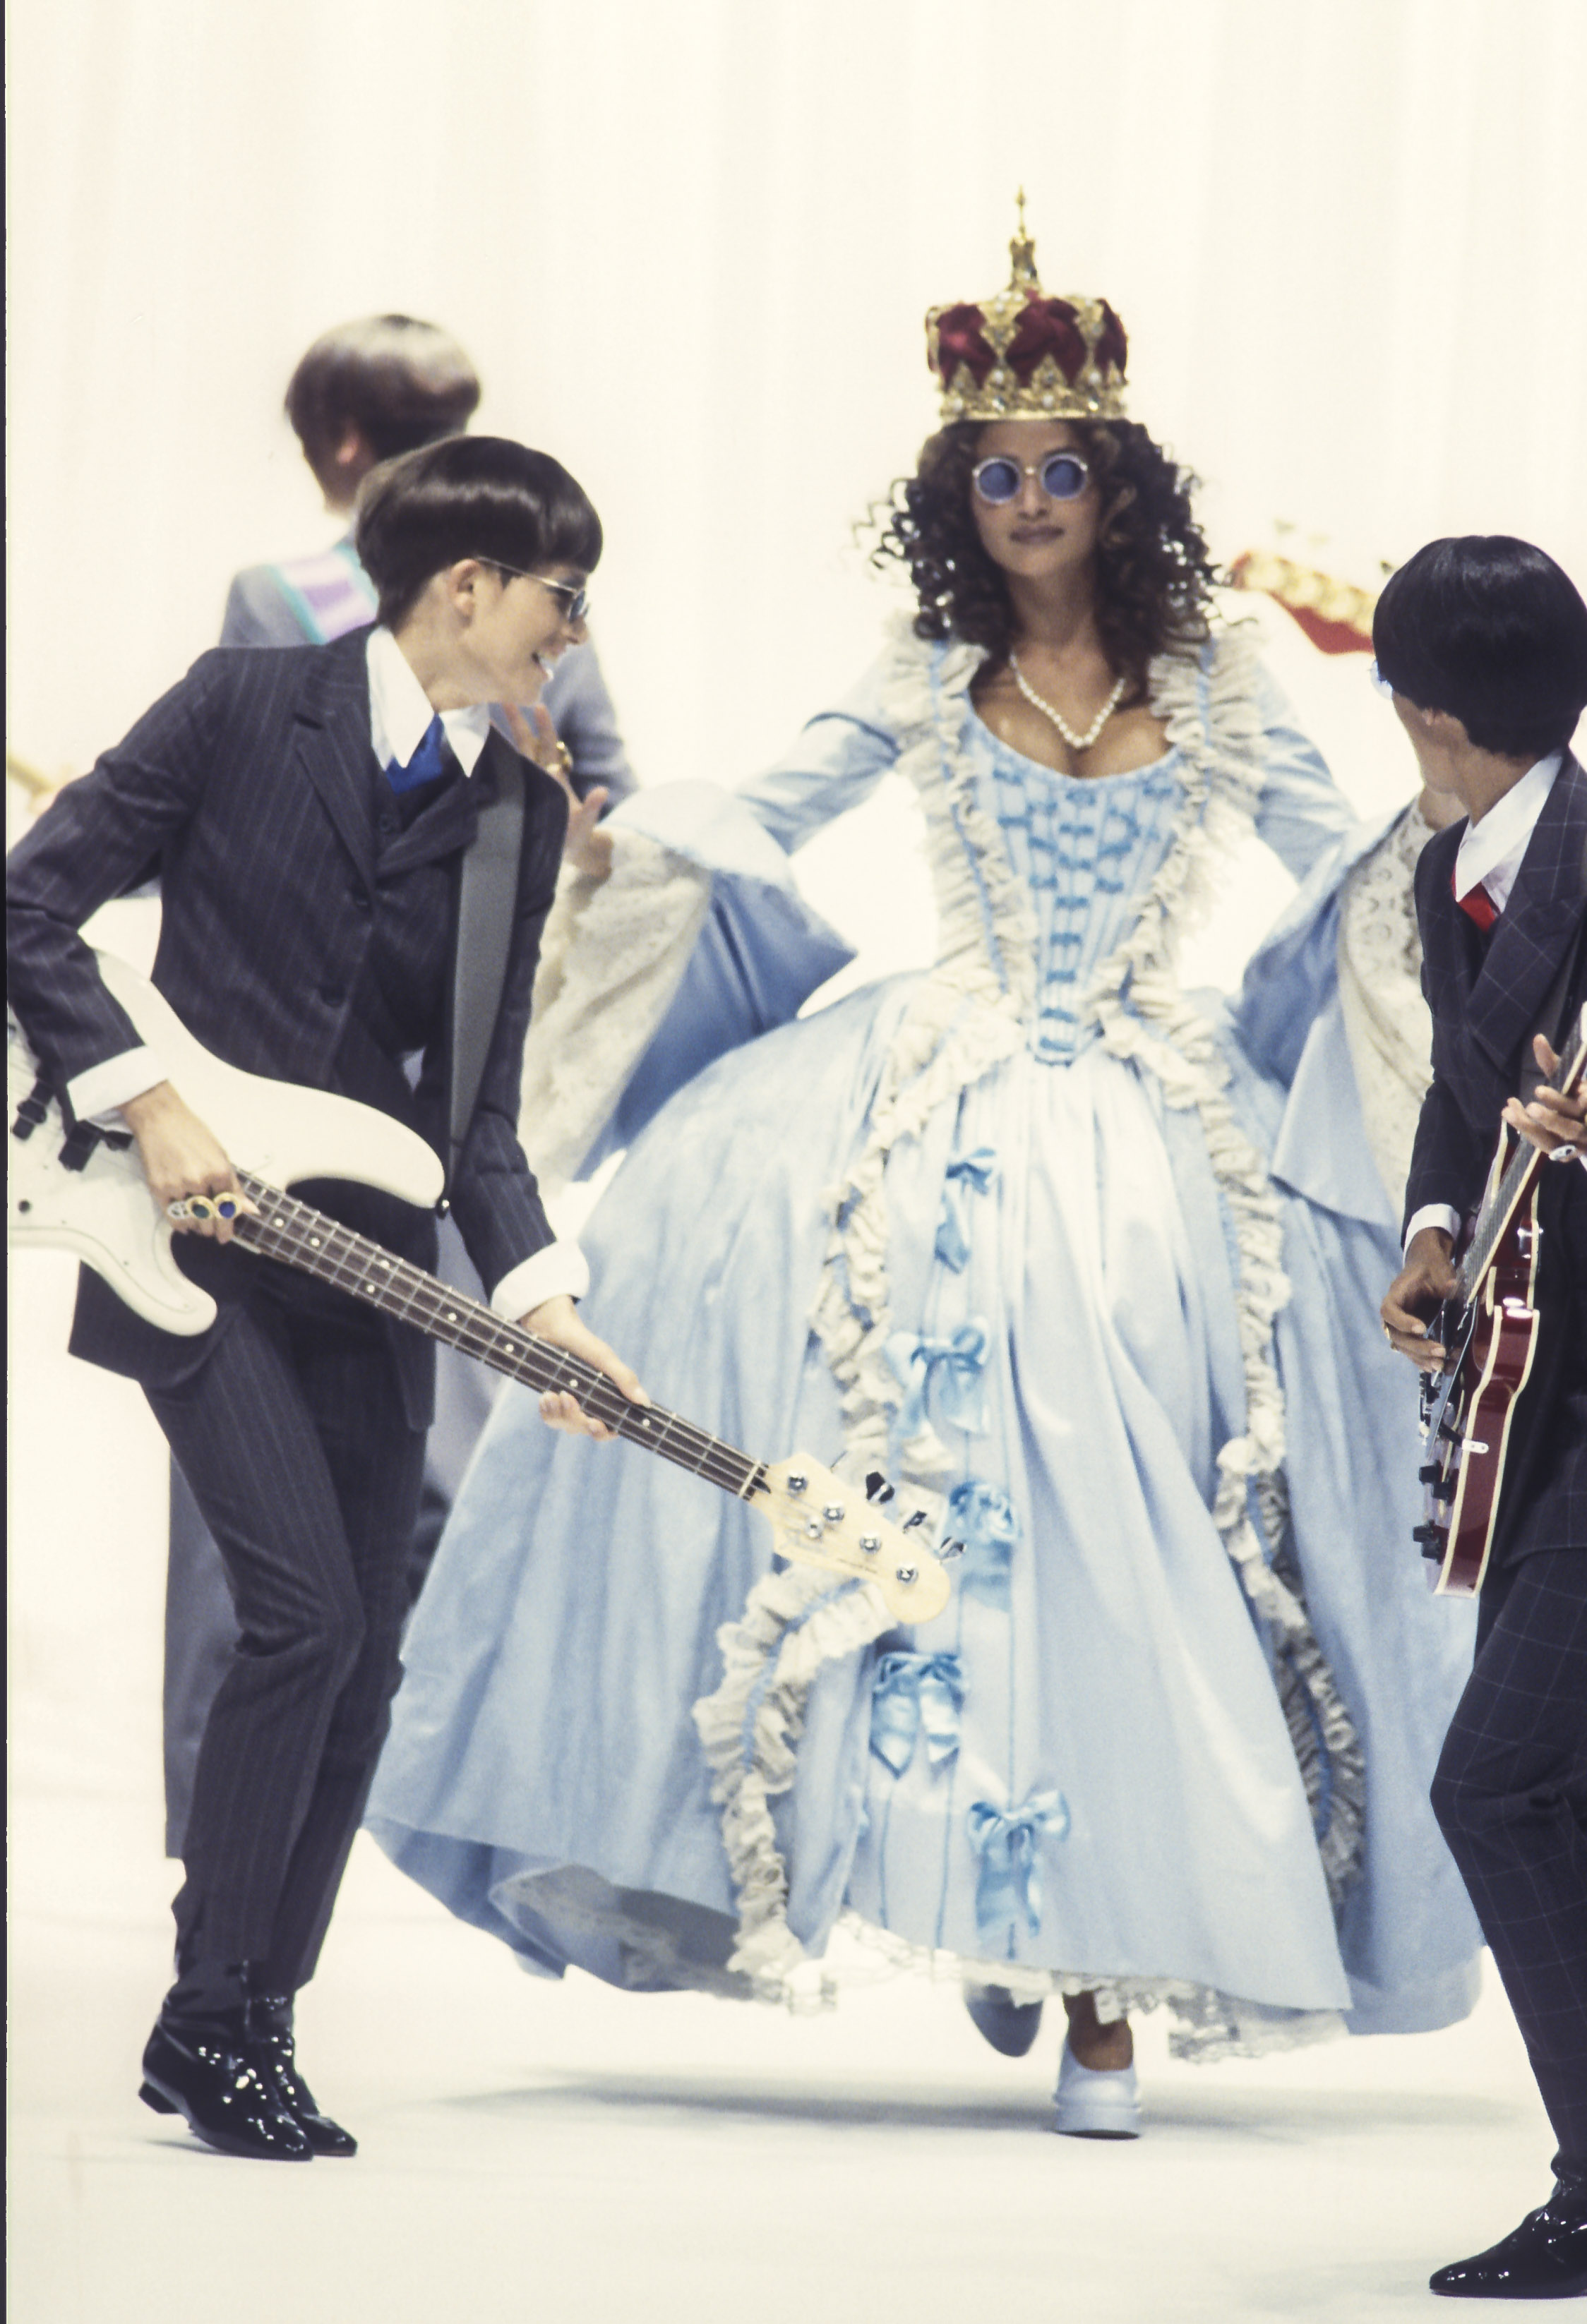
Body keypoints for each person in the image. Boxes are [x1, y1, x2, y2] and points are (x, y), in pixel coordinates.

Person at [366, 219, 1479, 2135]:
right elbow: (763, 815)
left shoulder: (1214, 675)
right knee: (924, 1504)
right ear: (956, 498)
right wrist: (602, 847)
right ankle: (980, 1889)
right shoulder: (926, 666)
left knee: (1135, 1500)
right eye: (996, 476)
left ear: (1115, 487)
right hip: (936, 1089)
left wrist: (1463, 826)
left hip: (1149, 1113)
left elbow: (1345, 863)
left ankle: (1102, 1976)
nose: (1030, 503)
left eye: (1060, 471)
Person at [7, 433, 640, 2162]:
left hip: (375, 1276)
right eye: (563, 597)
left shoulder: (517, 816)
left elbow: (477, 1119)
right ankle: (212, 2012)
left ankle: (244, 2015)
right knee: (298, 1618)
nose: (575, 634)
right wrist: (153, 1103)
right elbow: (31, 908)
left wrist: (544, 1302)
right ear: (466, 585)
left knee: (365, 1659)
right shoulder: (238, 706)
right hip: (184, 1251)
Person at [164, 313, 637, 1860]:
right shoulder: (283, 610)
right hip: (279, 1111)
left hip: (448, 1089)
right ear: (351, 451)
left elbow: (606, 793)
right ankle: (222, 1813)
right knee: (249, 1500)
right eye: (426, 430)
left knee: (425, 1461)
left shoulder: (535, 614)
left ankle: (381, 1795)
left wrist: (578, 832)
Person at [1377, 536, 1587, 2301]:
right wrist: (1433, 1234)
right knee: (1548, 1788)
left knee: (1496, 1783)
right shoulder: (1445, 865)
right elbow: (1458, 1102)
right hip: (1529, 1398)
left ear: (1420, 712)